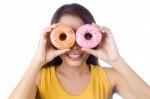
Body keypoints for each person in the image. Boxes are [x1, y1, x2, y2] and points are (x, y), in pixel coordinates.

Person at [9, 3, 150, 99]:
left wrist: (116, 60)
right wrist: (37, 61)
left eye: (84, 36)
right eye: (65, 36)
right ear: (52, 38)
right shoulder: (38, 78)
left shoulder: (110, 78)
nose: (75, 46)